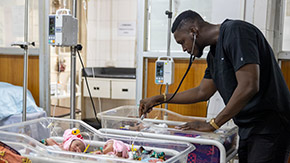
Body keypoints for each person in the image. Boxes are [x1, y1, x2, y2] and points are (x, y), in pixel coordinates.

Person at [139, 10, 290, 162]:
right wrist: (160, 98)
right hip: (248, 128)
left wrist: (213, 124)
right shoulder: (213, 55)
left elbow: (249, 85)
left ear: (193, 31)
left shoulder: (236, 32)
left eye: (182, 42)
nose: (184, 49)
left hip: (270, 126)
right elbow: (201, 92)